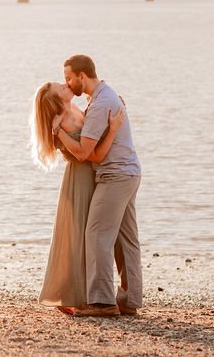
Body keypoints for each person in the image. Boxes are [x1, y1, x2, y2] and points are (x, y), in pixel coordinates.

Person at [59, 54, 143, 317]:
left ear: (82, 76)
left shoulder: (100, 104)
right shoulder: (104, 97)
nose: (68, 83)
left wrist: (56, 132)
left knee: (97, 234)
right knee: (124, 239)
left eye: (69, 78)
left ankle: (102, 302)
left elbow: (86, 153)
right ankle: (129, 301)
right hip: (128, 172)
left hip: (114, 175)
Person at [32, 80, 125, 314]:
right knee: (80, 235)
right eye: (60, 87)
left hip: (93, 175)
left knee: (90, 234)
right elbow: (82, 154)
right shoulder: (60, 121)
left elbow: (92, 133)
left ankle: (86, 294)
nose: (66, 85)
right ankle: (72, 295)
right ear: (56, 99)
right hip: (80, 179)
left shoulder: (75, 109)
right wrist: (59, 131)